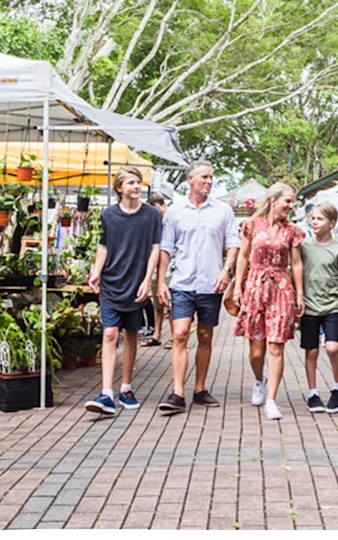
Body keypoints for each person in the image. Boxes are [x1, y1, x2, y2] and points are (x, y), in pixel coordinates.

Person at [155, 162, 240, 415]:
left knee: (205, 335)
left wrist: (226, 270)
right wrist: (161, 281)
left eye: (211, 177)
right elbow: (165, 247)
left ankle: (200, 389)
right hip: (182, 282)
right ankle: (178, 392)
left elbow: (234, 243)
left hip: (211, 284)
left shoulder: (223, 211)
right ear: (190, 179)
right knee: (180, 333)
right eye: (204, 177)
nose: (209, 181)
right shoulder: (175, 211)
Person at [84, 168, 161, 417]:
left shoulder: (151, 215)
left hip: (135, 282)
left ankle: (126, 387)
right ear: (119, 187)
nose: (137, 186)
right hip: (111, 282)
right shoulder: (109, 215)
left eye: (138, 182)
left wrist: (147, 280)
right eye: (131, 182)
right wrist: (96, 271)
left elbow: (155, 248)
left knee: (131, 334)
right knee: (109, 333)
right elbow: (104, 246)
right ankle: (106, 392)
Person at [229, 183, 305, 421]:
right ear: (274, 200)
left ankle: (271, 399)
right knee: (256, 350)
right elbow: (243, 256)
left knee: (276, 345)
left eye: (292, 202)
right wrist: (238, 288)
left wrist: (300, 294)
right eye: (288, 201)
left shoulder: (292, 230)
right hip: (255, 284)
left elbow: (297, 263)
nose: (291, 206)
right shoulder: (252, 225)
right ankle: (259, 380)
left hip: (281, 286)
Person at [300, 203, 338, 413]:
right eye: (312, 218)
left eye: (320, 219)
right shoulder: (304, 247)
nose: (315, 222)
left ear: (332, 223)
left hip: (331, 306)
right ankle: (312, 392)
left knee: (332, 347)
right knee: (311, 350)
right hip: (309, 307)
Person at [142, 192, 173, 346]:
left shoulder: (171, 217)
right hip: (155, 267)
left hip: (170, 267)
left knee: (170, 303)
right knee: (157, 303)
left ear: (157, 206)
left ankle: (174, 336)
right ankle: (157, 334)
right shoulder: (155, 221)